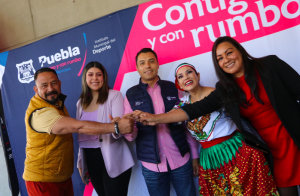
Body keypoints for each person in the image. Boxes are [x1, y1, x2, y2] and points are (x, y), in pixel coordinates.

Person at [136, 36, 300, 196]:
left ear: (240, 51)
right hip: (267, 146)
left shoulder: (269, 65)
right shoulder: (225, 89)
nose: (226, 60)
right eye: (220, 58)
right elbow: (194, 109)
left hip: (292, 134)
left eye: (229, 52)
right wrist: (154, 118)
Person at [23, 67, 134, 196]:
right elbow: (79, 128)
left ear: (59, 84)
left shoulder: (57, 103)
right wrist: (116, 127)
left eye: (53, 83)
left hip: (62, 176)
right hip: (43, 180)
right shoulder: (40, 112)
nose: (50, 88)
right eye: (44, 85)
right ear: (36, 89)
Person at [171, 62, 278, 195]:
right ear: (179, 85)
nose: (186, 77)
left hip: (234, 149)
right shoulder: (180, 105)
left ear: (197, 75)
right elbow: (170, 121)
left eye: (189, 72)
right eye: (180, 76)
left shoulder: (215, 93)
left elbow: (240, 115)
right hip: (209, 158)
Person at [123, 48, 199, 196]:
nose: (147, 66)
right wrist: (127, 127)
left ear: (158, 64)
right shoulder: (130, 94)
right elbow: (131, 136)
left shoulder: (173, 87)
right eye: (142, 63)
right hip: (152, 167)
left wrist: (195, 155)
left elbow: (185, 124)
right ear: (137, 68)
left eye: (151, 61)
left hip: (181, 160)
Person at [76, 62, 134, 196]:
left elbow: (120, 130)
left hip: (113, 158)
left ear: (104, 77)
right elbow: (80, 133)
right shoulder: (80, 103)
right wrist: (81, 162)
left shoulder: (114, 95)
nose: (94, 78)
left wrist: (116, 127)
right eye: (90, 74)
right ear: (85, 78)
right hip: (91, 161)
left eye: (98, 74)